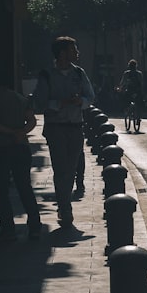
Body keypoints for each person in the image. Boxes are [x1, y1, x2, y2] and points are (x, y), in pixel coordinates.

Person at [33, 36, 95, 226]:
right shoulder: (47, 75)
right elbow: (40, 102)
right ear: (62, 53)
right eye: (73, 49)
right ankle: (65, 208)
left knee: (71, 169)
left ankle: (63, 204)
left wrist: (81, 102)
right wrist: (60, 103)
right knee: (61, 169)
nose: (77, 53)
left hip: (76, 127)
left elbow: (90, 96)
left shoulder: (79, 73)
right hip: (56, 128)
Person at [0, 65, 42, 241]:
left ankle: (8, 229)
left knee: (1, 189)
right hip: (21, 146)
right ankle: (35, 227)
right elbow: (32, 120)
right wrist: (21, 132)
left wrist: (9, 132)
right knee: (24, 186)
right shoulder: (20, 98)